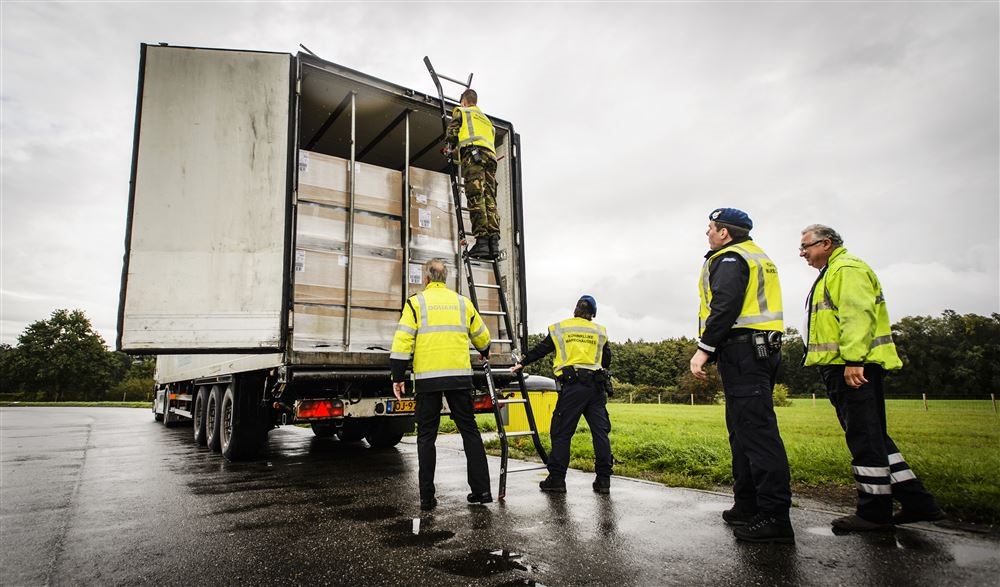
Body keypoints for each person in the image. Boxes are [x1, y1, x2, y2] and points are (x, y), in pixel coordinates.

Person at [799, 224, 944, 531]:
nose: (802, 253)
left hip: (852, 367)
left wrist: (854, 360)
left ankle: (874, 511)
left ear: (826, 244)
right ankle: (917, 500)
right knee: (873, 435)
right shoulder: (834, 270)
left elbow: (856, 316)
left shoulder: (846, 269)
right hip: (845, 365)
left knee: (864, 437)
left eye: (805, 246)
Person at [689, 208, 794, 544]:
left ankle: (774, 516)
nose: (707, 232)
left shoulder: (730, 258)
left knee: (757, 433)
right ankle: (747, 505)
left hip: (744, 350)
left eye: (711, 227)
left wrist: (704, 349)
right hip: (757, 349)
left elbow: (726, 305)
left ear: (725, 232)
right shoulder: (756, 255)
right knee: (742, 430)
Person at [390, 258, 493, 511]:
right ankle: (482, 491)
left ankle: (427, 498)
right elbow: (483, 336)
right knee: (469, 431)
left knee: (426, 436)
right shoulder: (462, 302)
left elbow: (402, 341)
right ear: (445, 279)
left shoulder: (416, 303)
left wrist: (398, 376)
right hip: (459, 378)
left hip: (428, 380)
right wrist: (484, 350)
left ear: (426, 279)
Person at [511, 295, 614, 494]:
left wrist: (522, 363)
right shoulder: (600, 331)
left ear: (576, 309)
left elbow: (542, 349)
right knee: (600, 433)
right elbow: (606, 360)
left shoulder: (561, 328)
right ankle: (603, 481)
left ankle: (557, 480)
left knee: (561, 432)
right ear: (592, 314)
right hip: (596, 387)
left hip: (573, 387)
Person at [445, 88, 499, 260]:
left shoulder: (462, 112)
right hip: (491, 159)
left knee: (476, 196)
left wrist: (449, 148)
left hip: (474, 157)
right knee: (489, 199)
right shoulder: (487, 120)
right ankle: (493, 243)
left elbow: (452, 132)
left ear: (464, 101)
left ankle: (482, 242)